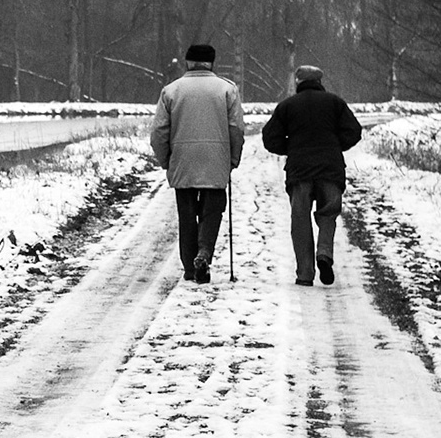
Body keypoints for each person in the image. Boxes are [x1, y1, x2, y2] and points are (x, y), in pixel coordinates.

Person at [150, 43, 245, 284]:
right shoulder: (227, 90)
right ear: (212, 63)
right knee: (212, 211)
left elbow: (159, 131)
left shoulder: (171, 91)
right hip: (216, 160)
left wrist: (166, 160)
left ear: (187, 62)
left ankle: (190, 268)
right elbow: (236, 128)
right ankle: (204, 253)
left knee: (187, 214)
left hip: (182, 161)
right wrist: (233, 158)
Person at [261, 64, 362, 286]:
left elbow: (269, 138)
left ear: (298, 82)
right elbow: (354, 131)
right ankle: (324, 253)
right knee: (328, 214)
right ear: (319, 82)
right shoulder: (335, 103)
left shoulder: (287, 106)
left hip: (300, 171)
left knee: (300, 220)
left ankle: (305, 274)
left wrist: (290, 148)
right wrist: (335, 145)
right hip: (330, 168)